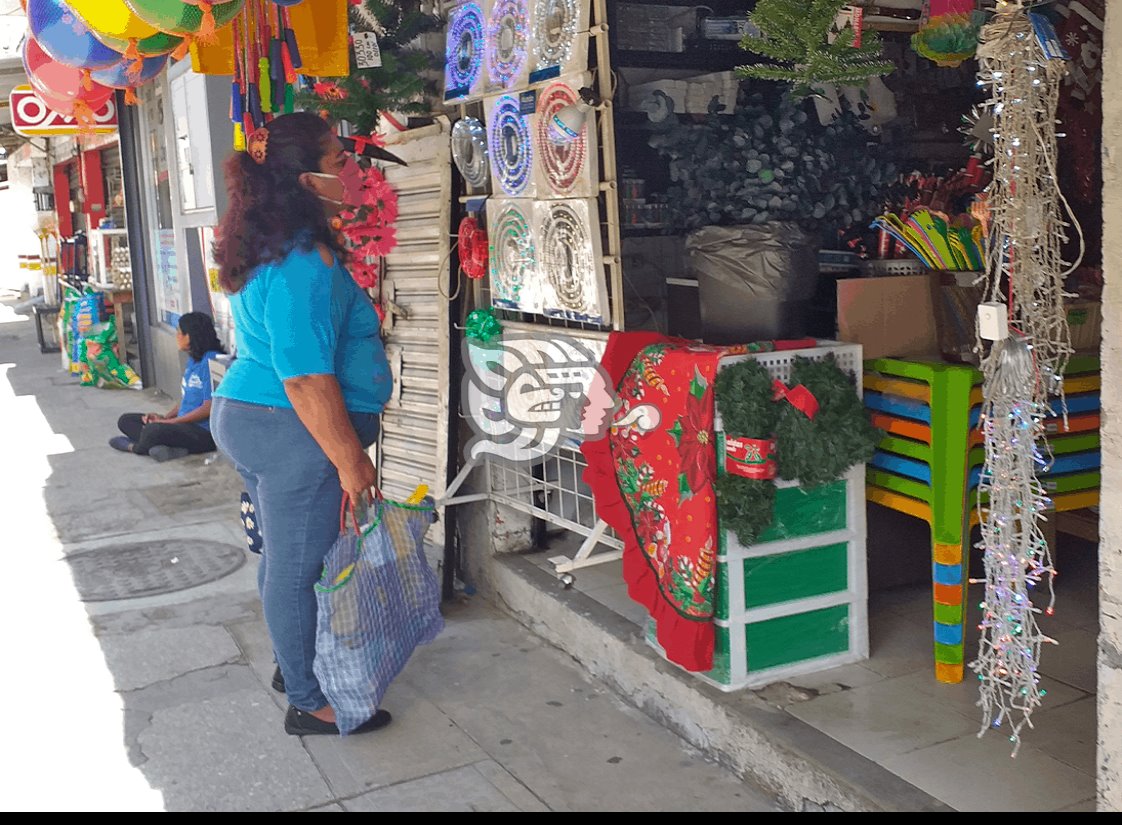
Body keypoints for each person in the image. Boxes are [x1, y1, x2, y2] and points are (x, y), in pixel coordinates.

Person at [209, 113, 393, 737]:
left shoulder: (271, 243)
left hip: (260, 419)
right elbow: (306, 378)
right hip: (289, 426)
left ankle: (293, 669)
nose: (350, 169)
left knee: (283, 556)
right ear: (305, 177)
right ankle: (308, 702)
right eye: (338, 157)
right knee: (295, 565)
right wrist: (350, 461)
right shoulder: (299, 261)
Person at [110, 312, 224, 462]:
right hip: (183, 424)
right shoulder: (193, 359)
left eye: (179, 332)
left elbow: (209, 407)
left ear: (190, 336)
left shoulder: (211, 361)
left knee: (153, 431)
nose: (177, 336)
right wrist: (165, 417)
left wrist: (170, 423)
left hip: (202, 432)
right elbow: (186, 399)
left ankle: (135, 448)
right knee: (126, 420)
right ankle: (165, 448)